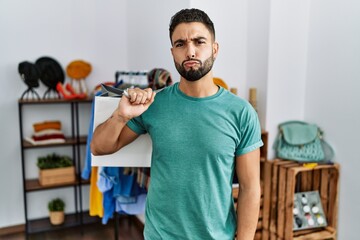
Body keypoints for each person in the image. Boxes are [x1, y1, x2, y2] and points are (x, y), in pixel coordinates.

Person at [91, 8, 263, 240]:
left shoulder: (241, 113)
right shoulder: (154, 104)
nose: (190, 51)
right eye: (180, 44)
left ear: (215, 48)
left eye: (199, 41)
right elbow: (99, 147)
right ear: (173, 52)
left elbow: (250, 188)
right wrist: (121, 116)